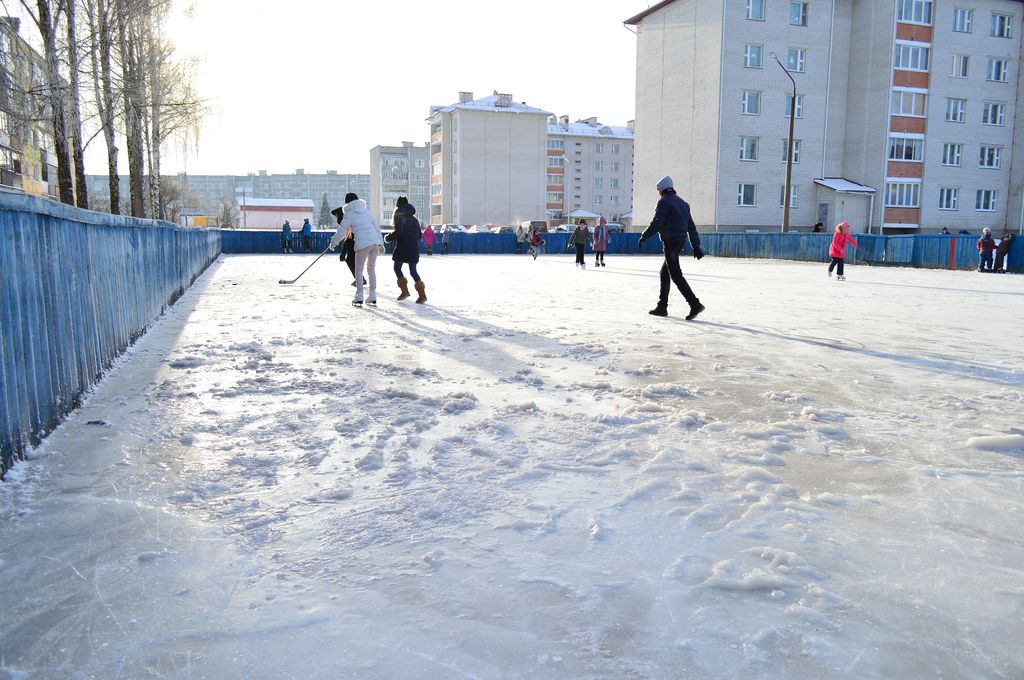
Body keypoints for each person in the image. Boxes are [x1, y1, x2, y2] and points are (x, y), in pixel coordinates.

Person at [637, 176, 705, 320]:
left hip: (670, 243)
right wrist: (696, 246)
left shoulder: (664, 202)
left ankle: (695, 304)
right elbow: (691, 227)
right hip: (679, 242)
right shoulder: (683, 204)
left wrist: (644, 236)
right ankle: (662, 307)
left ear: (661, 190)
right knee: (665, 273)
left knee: (676, 275)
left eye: (658, 190)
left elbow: (657, 223)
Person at [329, 192, 383, 307]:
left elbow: (341, 231)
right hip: (375, 243)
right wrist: (381, 244)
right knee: (371, 269)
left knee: (358, 270)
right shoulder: (367, 212)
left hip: (363, 244)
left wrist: (333, 243)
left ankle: (359, 296)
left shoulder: (349, 214)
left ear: (347, 203)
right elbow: (376, 229)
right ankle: (372, 295)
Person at [385, 196, 427, 303]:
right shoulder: (415, 219)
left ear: (398, 206)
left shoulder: (399, 216)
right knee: (413, 271)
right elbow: (419, 235)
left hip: (403, 248)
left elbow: (399, 232)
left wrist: (388, 237)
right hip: (413, 248)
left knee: (397, 268)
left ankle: (405, 291)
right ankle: (422, 296)